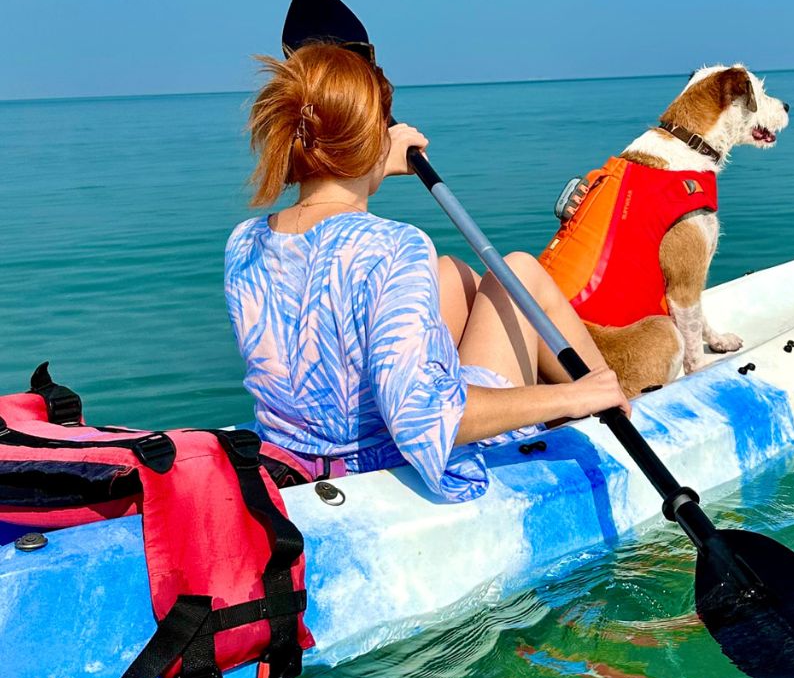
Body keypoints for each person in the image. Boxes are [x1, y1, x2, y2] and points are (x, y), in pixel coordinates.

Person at [225, 42, 629, 502]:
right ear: (372, 136)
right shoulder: (395, 246)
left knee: (452, 274)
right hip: (391, 459)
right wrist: (572, 398)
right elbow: (424, 418)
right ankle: (612, 402)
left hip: (298, 455)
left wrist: (370, 164)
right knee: (519, 272)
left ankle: (565, 389)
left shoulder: (245, 240)